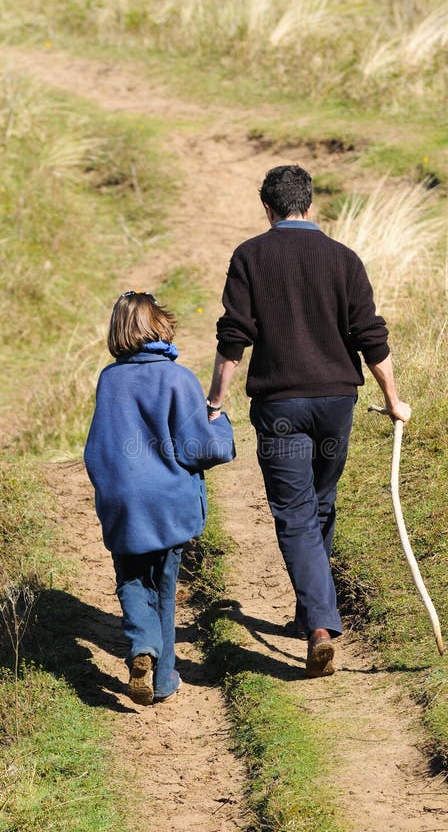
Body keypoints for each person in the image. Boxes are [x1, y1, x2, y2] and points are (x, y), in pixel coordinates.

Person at [206, 165, 411, 679]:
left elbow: (235, 337)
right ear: (310, 205)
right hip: (336, 403)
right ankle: (312, 610)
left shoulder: (250, 256)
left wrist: (215, 401)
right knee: (319, 502)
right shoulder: (344, 258)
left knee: (296, 512)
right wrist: (393, 398)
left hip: (280, 408)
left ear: (267, 209)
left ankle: (319, 624)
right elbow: (371, 336)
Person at [85, 291, 235, 705]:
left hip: (123, 502)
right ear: (160, 326)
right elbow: (197, 447)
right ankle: (164, 677)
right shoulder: (178, 378)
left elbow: (99, 445)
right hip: (169, 502)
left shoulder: (109, 379)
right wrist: (223, 428)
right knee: (165, 586)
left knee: (132, 579)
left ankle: (142, 650)